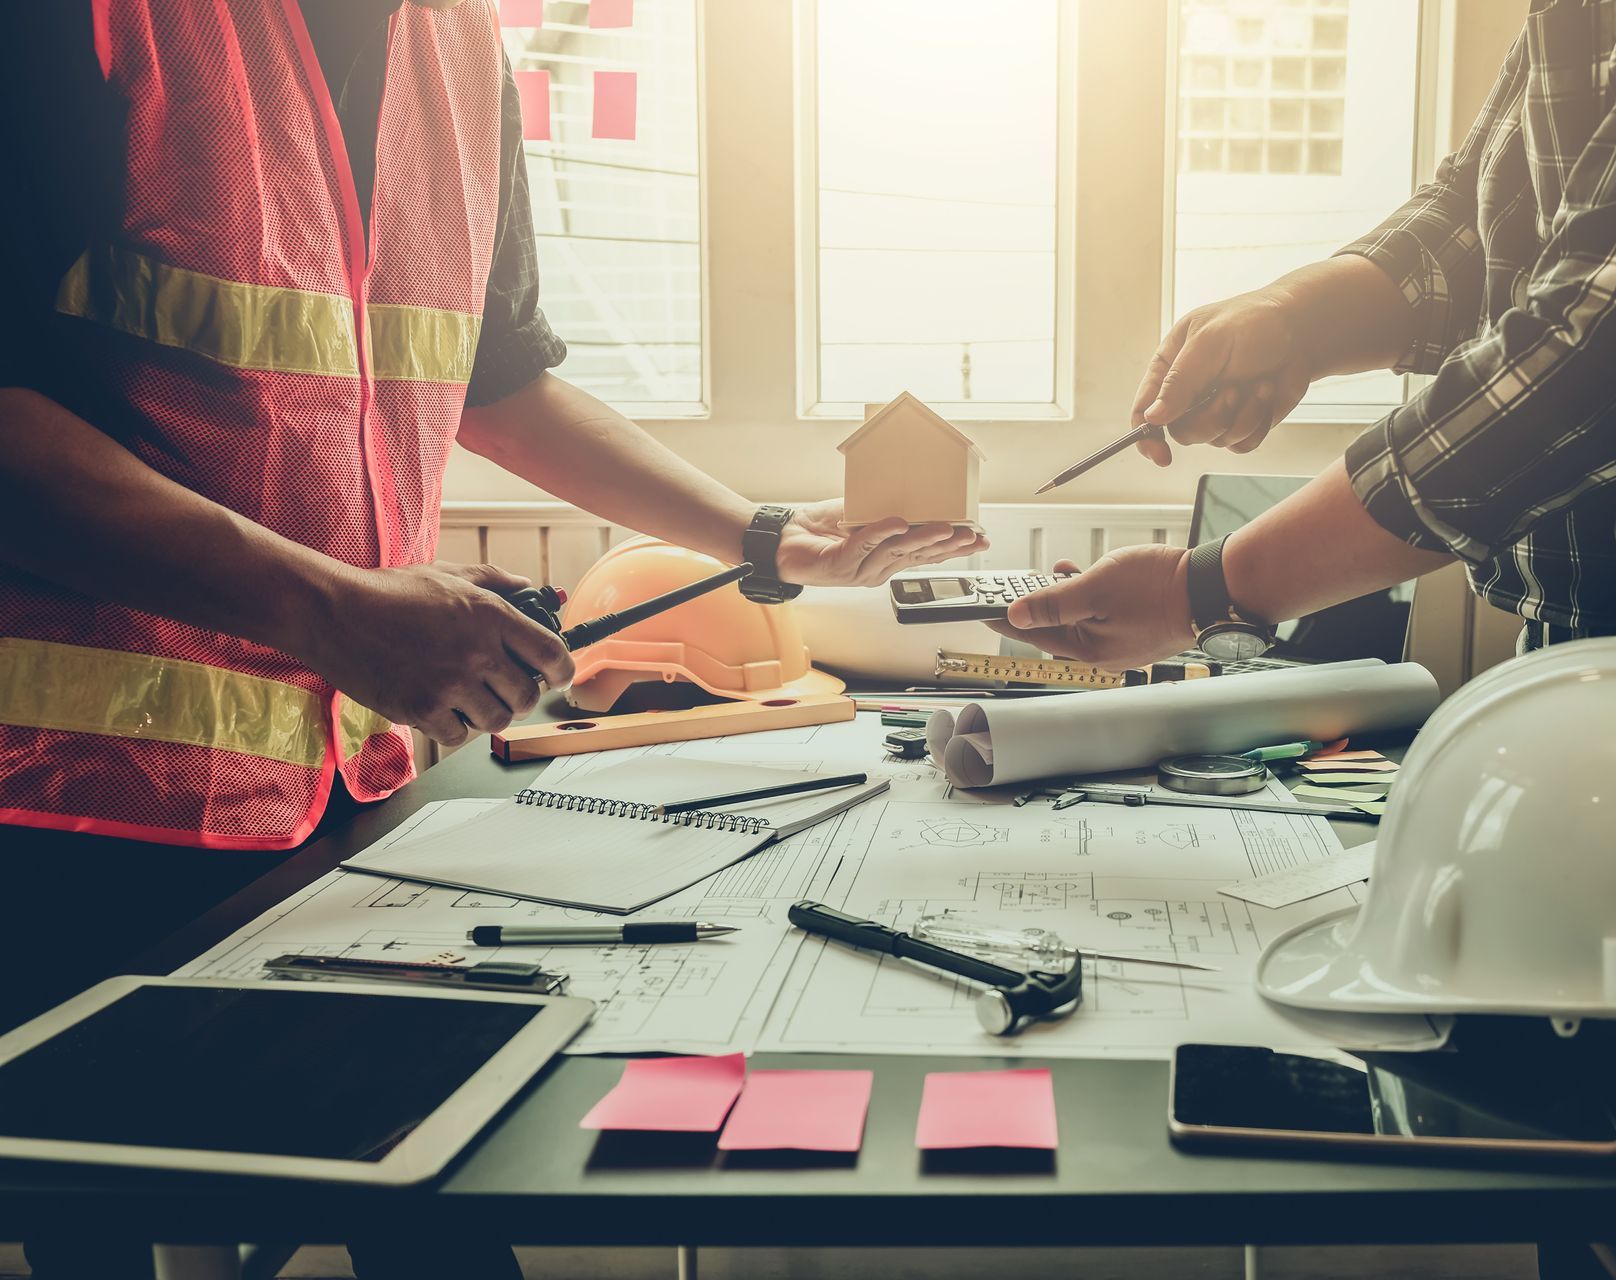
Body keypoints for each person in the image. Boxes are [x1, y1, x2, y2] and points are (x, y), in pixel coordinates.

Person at [0, 7, 982, 1033]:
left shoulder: (459, 41)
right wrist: (332, 606)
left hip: (344, 798)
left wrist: (767, 536)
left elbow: (499, 383)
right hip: (69, 817)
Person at [998, 0, 1616, 790]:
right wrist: (1294, 319)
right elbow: (1487, 220)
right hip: (1600, 650)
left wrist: (1208, 589)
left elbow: (1605, 345)